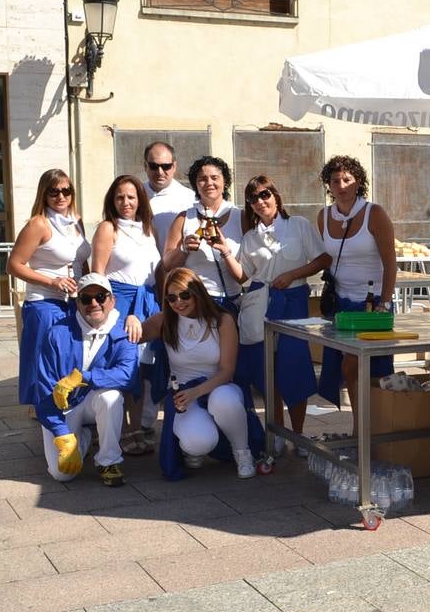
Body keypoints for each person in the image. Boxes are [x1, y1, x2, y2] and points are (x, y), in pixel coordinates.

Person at [227, 176, 329, 455]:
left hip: (293, 302)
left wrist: (293, 275)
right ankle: (277, 433)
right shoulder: (250, 238)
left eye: (264, 194)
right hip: (262, 304)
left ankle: (298, 435)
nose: (260, 202)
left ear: (276, 195)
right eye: (253, 198)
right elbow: (244, 276)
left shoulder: (298, 226)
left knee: (294, 367)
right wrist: (225, 252)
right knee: (267, 371)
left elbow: (322, 259)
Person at [140, 269, 264, 479]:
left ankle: (242, 453)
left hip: (219, 386)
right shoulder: (165, 320)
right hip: (184, 395)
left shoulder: (222, 320)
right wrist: (133, 319)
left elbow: (227, 371)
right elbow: (136, 334)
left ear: (197, 292)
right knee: (198, 442)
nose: (178, 302)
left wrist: (196, 392)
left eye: (185, 295)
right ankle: (191, 448)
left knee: (224, 400)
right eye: (171, 298)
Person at [33, 274, 136, 486]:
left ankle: (109, 460)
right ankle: (84, 439)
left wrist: (85, 377)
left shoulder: (124, 330)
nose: (94, 303)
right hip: (63, 407)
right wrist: (62, 435)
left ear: (112, 300)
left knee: (111, 397)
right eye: (86, 299)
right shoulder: (57, 333)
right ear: (77, 303)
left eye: (100, 296)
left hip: (95, 400)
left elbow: (127, 374)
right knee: (62, 474)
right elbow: (43, 389)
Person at [315, 155, 398, 410]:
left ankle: (375, 423)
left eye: (347, 180)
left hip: (371, 305)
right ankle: (359, 425)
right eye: (335, 180)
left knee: (365, 367)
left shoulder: (375, 214)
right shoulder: (324, 216)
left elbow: (390, 263)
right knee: (347, 368)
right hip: (340, 303)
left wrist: (384, 303)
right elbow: (325, 257)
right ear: (328, 184)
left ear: (358, 182)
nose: (341, 186)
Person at [90, 175, 161, 455]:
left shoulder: (147, 228)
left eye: (131, 197)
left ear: (140, 200)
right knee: (126, 365)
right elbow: (97, 274)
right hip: (120, 303)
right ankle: (125, 431)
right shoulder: (109, 228)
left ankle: (138, 426)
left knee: (145, 369)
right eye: (120, 197)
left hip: (148, 302)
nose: (126, 202)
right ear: (112, 200)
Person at [8, 169, 90, 405]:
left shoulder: (76, 221)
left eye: (66, 190)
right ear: (44, 194)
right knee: (44, 365)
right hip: (44, 303)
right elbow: (14, 265)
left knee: (70, 361)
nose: (61, 196)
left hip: (74, 302)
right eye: (54, 191)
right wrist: (53, 281)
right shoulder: (39, 224)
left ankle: (70, 412)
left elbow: (82, 261)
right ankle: (47, 418)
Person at [162, 157, 244, 310]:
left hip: (234, 302)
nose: (209, 183)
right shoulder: (184, 218)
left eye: (215, 178)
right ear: (195, 185)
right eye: (202, 179)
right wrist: (183, 249)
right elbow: (167, 264)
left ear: (225, 182)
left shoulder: (241, 217)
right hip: (197, 302)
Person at [142, 141, 196, 250]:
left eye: (166, 166)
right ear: (145, 166)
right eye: (154, 166)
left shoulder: (190, 199)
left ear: (174, 166)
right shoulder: (134, 196)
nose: (160, 172)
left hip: (176, 265)